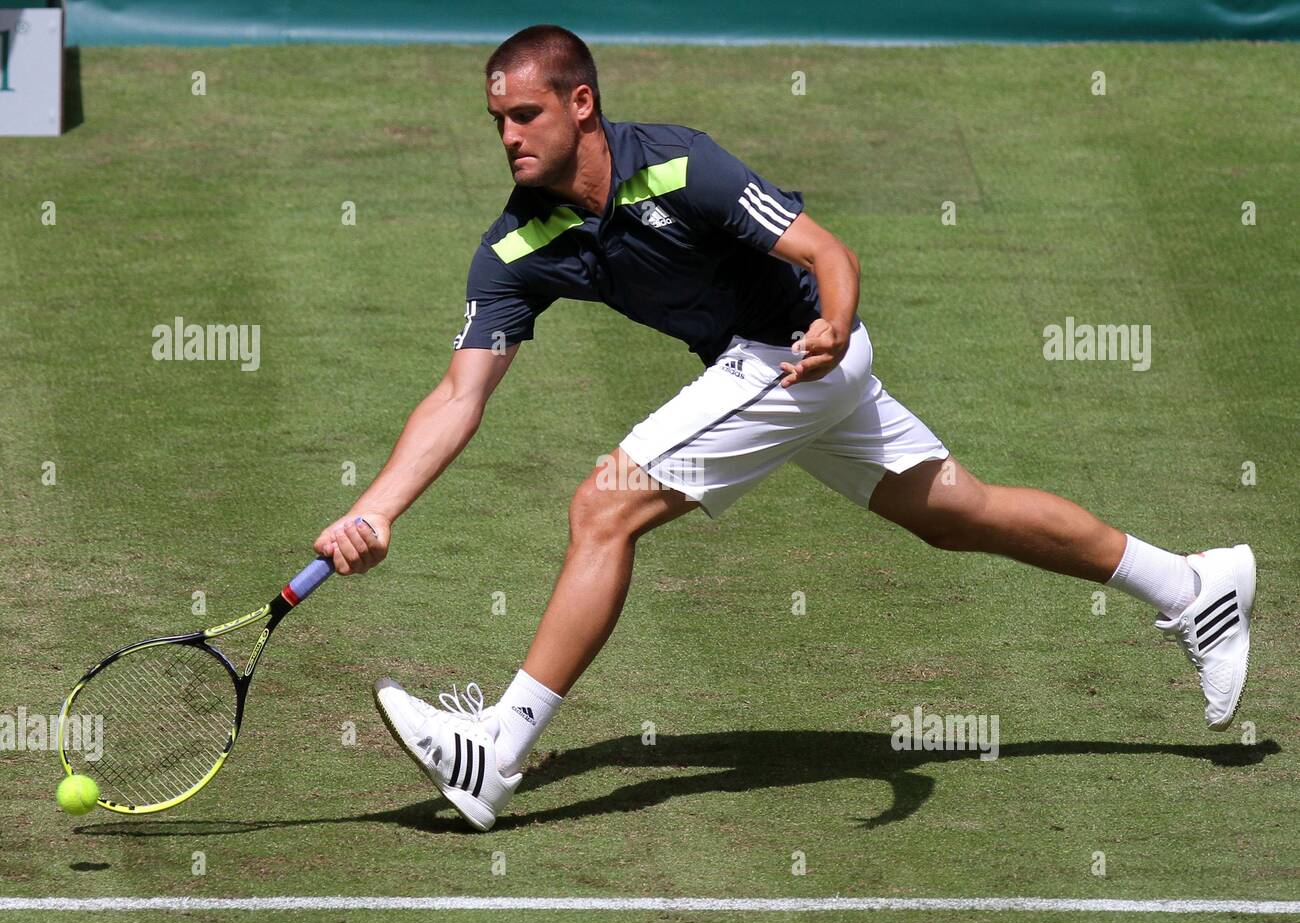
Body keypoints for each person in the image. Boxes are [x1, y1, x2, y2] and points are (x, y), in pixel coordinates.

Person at [314, 25, 1255, 831]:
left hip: (798, 352)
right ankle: (1194, 583)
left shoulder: (681, 160)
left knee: (606, 506)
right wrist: (377, 511)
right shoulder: (516, 245)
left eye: (526, 116)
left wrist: (833, 323)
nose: (509, 138)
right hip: (774, 373)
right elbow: (457, 396)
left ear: (583, 105)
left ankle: (498, 750)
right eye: (498, 123)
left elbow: (825, 250)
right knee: (957, 511)